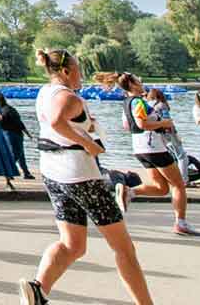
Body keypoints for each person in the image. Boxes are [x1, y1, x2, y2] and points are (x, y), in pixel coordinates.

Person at [19, 49, 153, 305]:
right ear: (66, 71)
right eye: (78, 69)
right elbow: (59, 121)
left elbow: (58, 124)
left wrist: (85, 126)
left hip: (53, 173)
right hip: (81, 175)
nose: (81, 74)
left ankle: (37, 289)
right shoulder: (68, 97)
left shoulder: (45, 92)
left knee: (73, 245)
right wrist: (89, 144)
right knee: (124, 248)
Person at [117, 72, 200, 236]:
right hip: (153, 146)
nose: (141, 81)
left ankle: (130, 191)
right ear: (132, 85)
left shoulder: (126, 103)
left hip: (139, 147)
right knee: (178, 184)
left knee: (161, 188)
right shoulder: (139, 101)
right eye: (137, 79)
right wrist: (164, 123)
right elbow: (142, 123)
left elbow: (127, 126)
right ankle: (181, 223)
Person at [0, 91, 36, 180]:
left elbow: (17, 122)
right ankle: (10, 171)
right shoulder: (8, 110)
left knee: (18, 154)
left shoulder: (5, 111)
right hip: (13, 134)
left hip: (11, 134)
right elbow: (19, 122)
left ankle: (25, 173)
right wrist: (27, 133)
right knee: (17, 154)